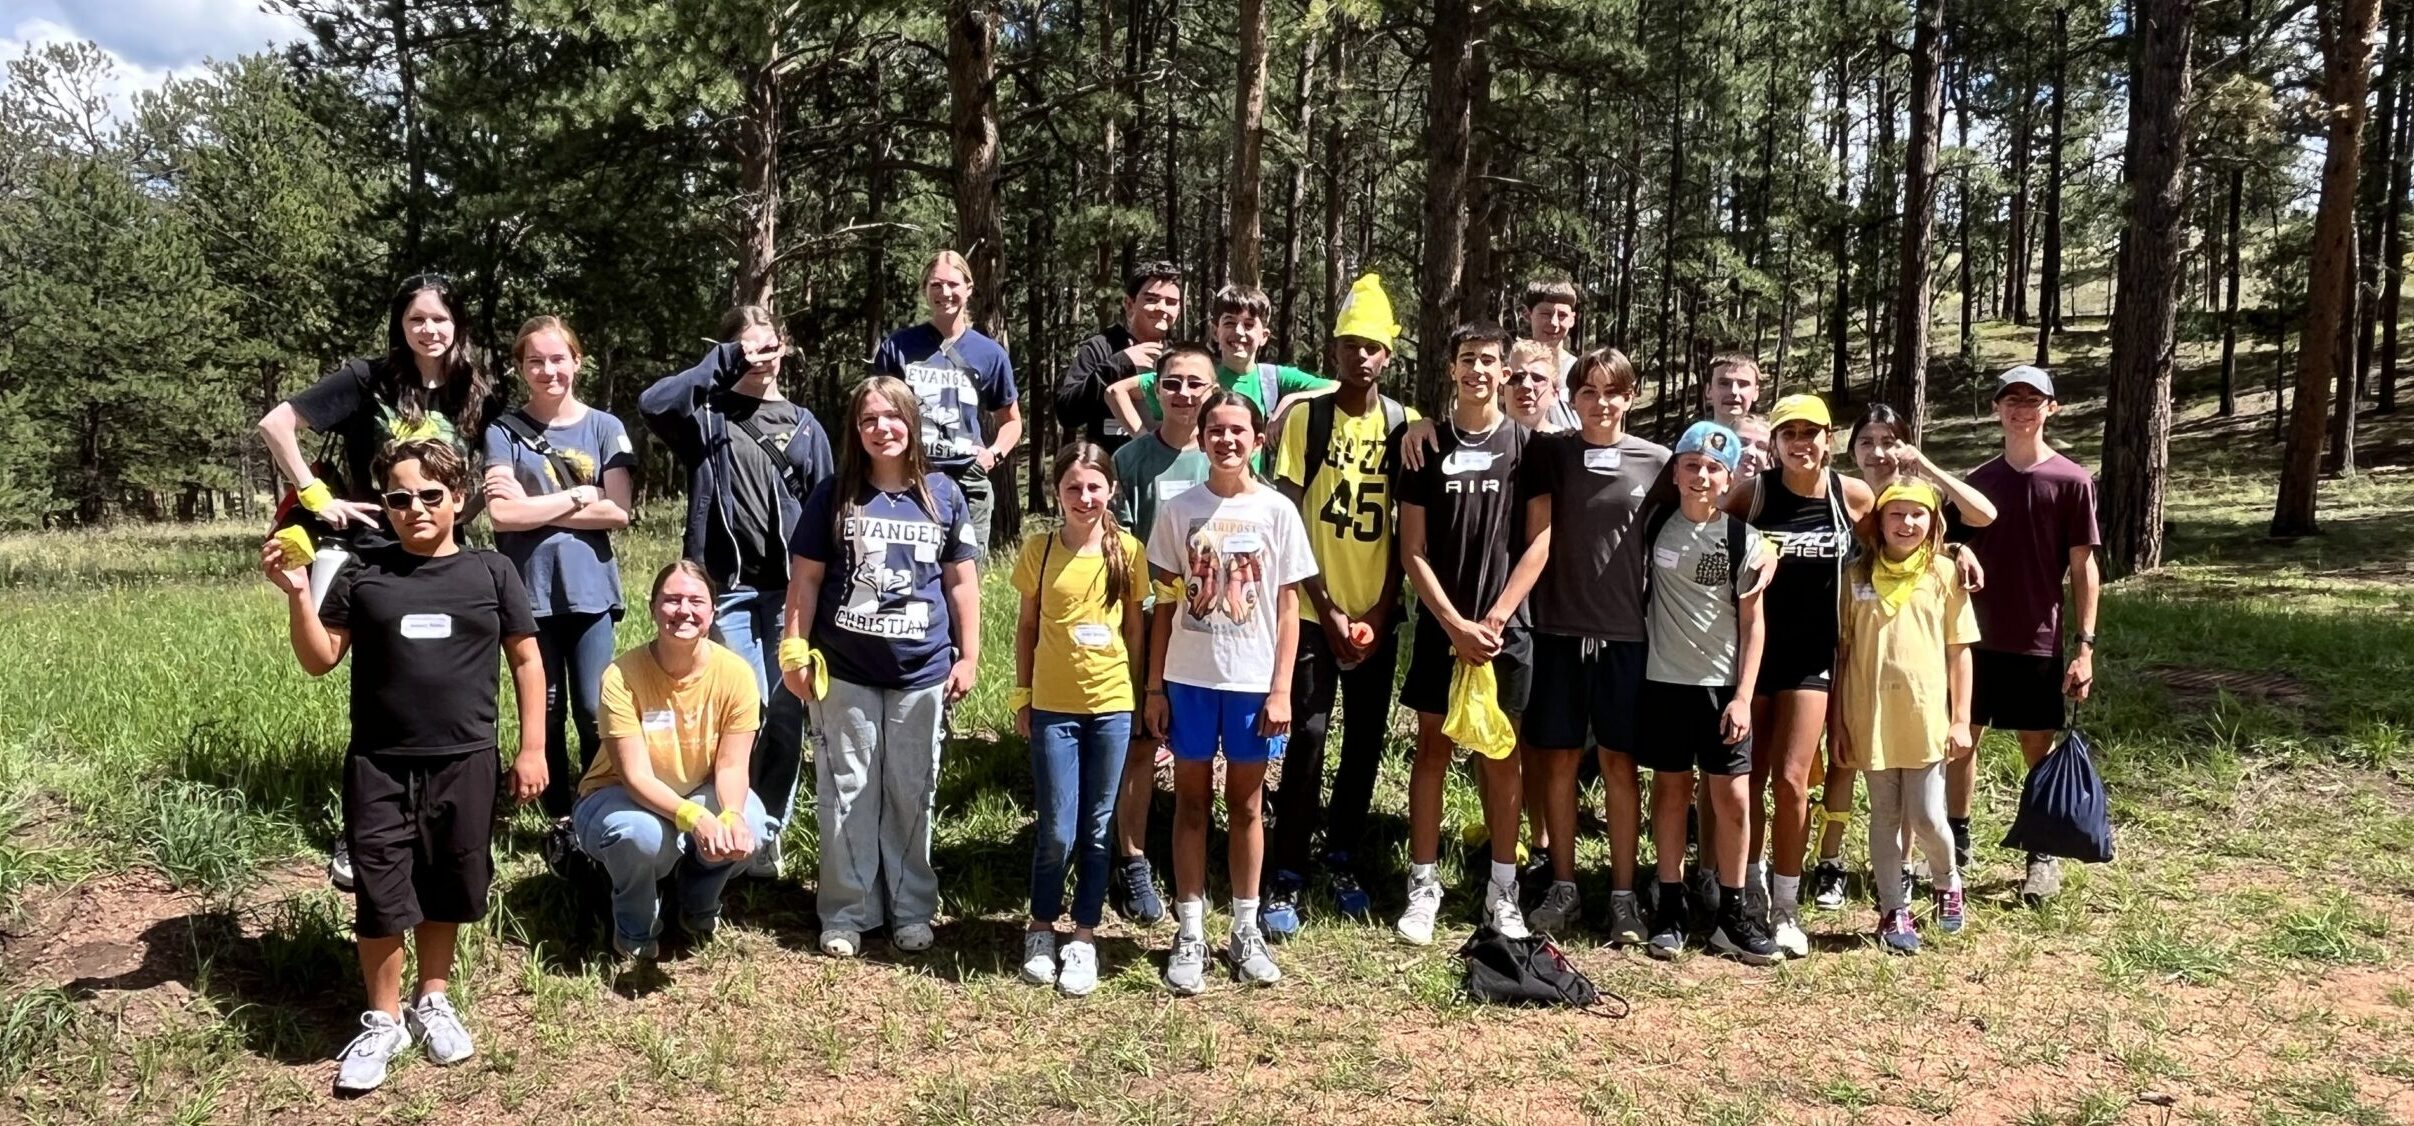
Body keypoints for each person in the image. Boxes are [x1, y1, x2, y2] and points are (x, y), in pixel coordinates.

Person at [260, 438, 543, 1094]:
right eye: (398, 497)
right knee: (381, 890)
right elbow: (319, 658)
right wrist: (298, 592)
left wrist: (531, 749)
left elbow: (526, 660)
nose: (414, 508)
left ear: (458, 500)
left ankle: (433, 998)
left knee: (448, 882)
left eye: (430, 496)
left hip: (467, 760)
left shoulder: (491, 573)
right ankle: (383, 1020)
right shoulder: (364, 572)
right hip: (380, 764)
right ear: (383, 504)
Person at [258, 273, 507, 892]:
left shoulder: (476, 390)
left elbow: (489, 464)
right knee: (373, 682)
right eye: (417, 319)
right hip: (366, 552)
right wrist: (316, 495)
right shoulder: (366, 381)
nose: (430, 330)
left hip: (443, 556)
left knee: (438, 680)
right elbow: (276, 424)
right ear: (400, 324)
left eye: (441, 319)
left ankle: (450, 813)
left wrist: (472, 510)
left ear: (459, 326)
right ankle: (363, 824)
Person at [781, 377, 982, 957]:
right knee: (847, 790)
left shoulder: (943, 494)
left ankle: (910, 908)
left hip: (922, 671)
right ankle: (847, 912)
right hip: (844, 668)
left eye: (891, 418)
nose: (881, 429)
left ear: (911, 423)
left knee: (910, 791)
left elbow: (962, 582)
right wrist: (793, 650)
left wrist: (969, 655)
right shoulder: (833, 494)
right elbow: (807, 580)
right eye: (868, 420)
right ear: (855, 430)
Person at [640, 306, 834, 874]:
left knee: (784, 711)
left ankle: (764, 830)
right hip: (725, 591)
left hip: (790, 592)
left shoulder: (804, 425)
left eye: (768, 347)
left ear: (785, 349)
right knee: (737, 710)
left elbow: (827, 511)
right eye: (746, 348)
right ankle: (725, 820)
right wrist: (726, 362)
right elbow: (653, 404)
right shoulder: (705, 416)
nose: (759, 358)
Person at [1144, 389, 1317, 993]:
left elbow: (1289, 610)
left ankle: (1246, 929)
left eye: (1238, 430)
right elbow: (1164, 604)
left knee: (1246, 805)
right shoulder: (1179, 510)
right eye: (1215, 430)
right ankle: (1189, 929)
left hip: (1251, 682)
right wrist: (1155, 687)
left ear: (1257, 440)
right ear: (1200, 437)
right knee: (1190, 803)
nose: (1226, 440)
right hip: (1189, 679)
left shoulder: (1277, 512)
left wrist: (1281, 690)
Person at [1262, 274, 1415, 932]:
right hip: (1312, 612)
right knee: (1309, 735)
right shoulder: (1307, 417)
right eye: (1350, 343)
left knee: (1365, 741)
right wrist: (1327, 609)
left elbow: (1410, 529)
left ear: (1388, 355)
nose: (1361, 356)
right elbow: (1288, 517)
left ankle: (1344, 852)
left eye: (1372, 346)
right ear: (1335, 349)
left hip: (1378, 609)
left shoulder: (1405, 425)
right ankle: (1288, 867)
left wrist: (1381, 611)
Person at [1394, 322, 1550, 944]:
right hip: (1443, 628)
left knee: (1502, 756)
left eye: (1489, 361)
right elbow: (1412, 549)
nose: (1478, 370)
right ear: (1452, 368)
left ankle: (1501, 890)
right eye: (1467, 359)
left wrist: (1495, 618)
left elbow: (1540, 540)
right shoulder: (1423, 446)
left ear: (1505, 373)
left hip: (1506, 630)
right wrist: (1455, 624)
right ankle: (1423, 885)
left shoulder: (1529, 446)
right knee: (1432, 752)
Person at [1808, 402, 1997, 907]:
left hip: (1914, 665)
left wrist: (1953, 542)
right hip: (1855, 634)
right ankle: (1832, 863)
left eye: (1889, 440)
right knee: (1847, 767)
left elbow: (1982, 515)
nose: (1878, 451)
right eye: (1866, 441)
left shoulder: (1921, 498)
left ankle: (1908, 871)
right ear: (1851, 449)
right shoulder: (1845, 493)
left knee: (1913, 796)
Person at [1516, 349, 1671, 942]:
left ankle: (1625, 896)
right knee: (1556, 761)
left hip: (1626, 638)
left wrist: (1761, 549)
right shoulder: (1552, 453)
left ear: (1630, 397)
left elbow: (1712, 505)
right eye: (1588, 392)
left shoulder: (1657, 463)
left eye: (1613, 393)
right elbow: (1502, 424)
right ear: (1572, 398)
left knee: (1619, 765)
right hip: (1557, 632)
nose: (1600, 403)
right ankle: (1563, 886)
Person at [1721, 393, 1874, 958]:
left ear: (1828, 438)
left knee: (1791, 780)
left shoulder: (1848, 494)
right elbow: (1705, 541)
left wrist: (1954, 550)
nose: (1800, 444)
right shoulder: (1754, 494)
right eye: (1789, 434)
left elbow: (1909, 534)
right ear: (1777, 443)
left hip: (1815, 658)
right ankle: (1751, 884)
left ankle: (1787, 904)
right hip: (1754, 657)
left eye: (1812, 433)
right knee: (1750, 779)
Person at [573, 561, 772, 960]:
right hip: (617, 797)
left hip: (695, 791)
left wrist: (729, 816)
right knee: (640, 836)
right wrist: (695, 819)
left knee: (751, 824)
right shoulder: (621, 675)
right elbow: (634, 776)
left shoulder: (736, 674)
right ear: (652, 608)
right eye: (672, 600)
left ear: (712, 611)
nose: (684, 610)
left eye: (696, 601)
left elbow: (732, 767)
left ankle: (696, 905)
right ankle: (634, 930)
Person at [481, 316, 636, 819]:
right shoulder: (503, 431)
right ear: (521, 368)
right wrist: (575, 496)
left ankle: (597, 804)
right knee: (543, 710)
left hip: (591, 592)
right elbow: (502, 514)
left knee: (594, 710)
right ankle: (557, 817)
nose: (548, 371)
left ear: (576, 362)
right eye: (535, 362)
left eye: (557, 359)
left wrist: (535, 506)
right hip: (527, 591)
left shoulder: (605, 428)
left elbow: (617, 511)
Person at [1956, 366, 2100, 904]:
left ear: (2051, 408)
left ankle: (2042, 855)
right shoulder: (1978, 482)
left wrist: (2084, 648)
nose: (2021, 409)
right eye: (2011, 399)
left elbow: (2084, 568)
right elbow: (1939, 544)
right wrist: (1956, 548)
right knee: (1960, 741)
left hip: (2038, 637)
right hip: (1972, 637)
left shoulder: (2072, 480)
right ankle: (1956, 843)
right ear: (1997, 409)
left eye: (2032, 400)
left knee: (2036, 748)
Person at [1635, 422, 1777, 964]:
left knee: (1733, 796)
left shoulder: (1745, 539)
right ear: (1676, 471)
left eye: (1713, 468)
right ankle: (1670, 903)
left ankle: (1732, 912)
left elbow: (1753, 625)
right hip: (1665, 683)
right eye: (1691, 465)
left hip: (1721, 690)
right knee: (1670, 791)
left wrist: (1743, 697)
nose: (1701, 476)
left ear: (1728, 478)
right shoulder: (1653, 526)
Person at [1012, 444, 1146, 996]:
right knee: (1056, 830)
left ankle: (1084, 936)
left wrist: (1142, 699)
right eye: (1073, 487)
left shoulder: (1129, 553)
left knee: (1097, 828)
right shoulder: (1039, 551)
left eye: (1094, 487)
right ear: (1056, 492)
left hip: (1112, 707)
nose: (1084, 498)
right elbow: (1024, 627)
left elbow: (1135, 632)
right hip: (1052, 709)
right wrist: (1023, 696)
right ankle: (1041, 927)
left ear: (1111, 490)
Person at [1834, 480, 1980, 952]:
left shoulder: (1943, 574)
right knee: (1884, 813)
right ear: (1879, 521)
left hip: (1922, 715)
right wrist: (1837, 721)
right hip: (1870, 713)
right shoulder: (1855, 576)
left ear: (1933, 524)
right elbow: (1843, 652)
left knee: (1926, 815)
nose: (1907, 524)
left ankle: (1946, 879)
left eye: (1918, 515)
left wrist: (1961, 719)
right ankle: (1892, 909)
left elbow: (1959, 652)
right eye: (1896, 514)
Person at [1105, 344, 1220, 924]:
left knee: (1198, 740)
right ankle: (1131, 859)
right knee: (1141, 743)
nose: (1183, 395)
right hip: (1147, 620)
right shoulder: (1130, 460)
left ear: (1211, 389)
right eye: (1172, 383)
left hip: (1211, 628)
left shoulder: (1224, 456)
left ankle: (1199, 861)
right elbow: (1115, 546)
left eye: (1194, 384)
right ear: (1157, 389)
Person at [872, 249, 1023, 555]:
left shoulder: (989, 354)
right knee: (913, 573)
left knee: (965, 580)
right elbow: (875, 410)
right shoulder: (899, 347)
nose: (945, 293)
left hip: (968, 481)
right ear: (925, 289)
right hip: (911, 477)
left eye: (953, 284)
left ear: (969, 288)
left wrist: (992, 454)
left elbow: (1012, 421)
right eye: (936, 285)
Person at [1106, 282, 1336, 442]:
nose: (1239, 332)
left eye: (1248, 325)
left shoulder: (1273, 379)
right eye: (1229, 323)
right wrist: (1143, 439)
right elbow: (1116, 392)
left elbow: (1338, 387)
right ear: (1215, 332)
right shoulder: (1197, 376)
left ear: (1264, 336)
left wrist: (1293, 399)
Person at [1060, 261, 1184, 449]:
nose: (1162, 308)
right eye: (1151, 299)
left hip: (1163, 469)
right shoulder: (1100, 348)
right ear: (1129, 304)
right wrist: (1118, 365)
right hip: (1109, 467)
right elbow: (1067, 412)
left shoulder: (1179, 358)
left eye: (1171, 302)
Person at [1519, 279, 1582, 432]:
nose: (1554, 323)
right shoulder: (1514, 369)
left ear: (1572, 319)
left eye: (1562, 315)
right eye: (1546, 314)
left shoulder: (1582, 369)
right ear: (1528, 314)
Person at [1506, 339, 1571, 434]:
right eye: (1516, 378)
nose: (1525, 385)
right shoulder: (1482, 443)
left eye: (1537, 378)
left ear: (1554, 394)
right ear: (1501, 389)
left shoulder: (1569, 445)